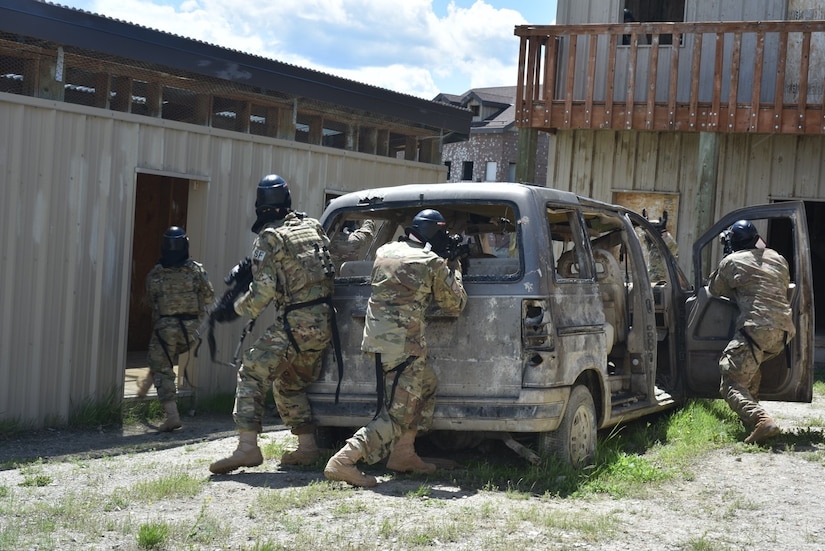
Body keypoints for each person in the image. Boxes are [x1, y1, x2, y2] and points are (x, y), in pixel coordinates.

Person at [324, 208, 467, 487]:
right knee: (398, 416)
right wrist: (456, 270)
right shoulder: (431, 262)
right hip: (405, 346)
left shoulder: (385, 251)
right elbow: (455, 304)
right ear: (434, 233)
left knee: (426, 384)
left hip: (379, 340)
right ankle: (344, 460)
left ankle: (403, 453)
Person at [209, 174, 336, 474]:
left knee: (252, 369)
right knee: (289, 381)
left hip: (296, 324)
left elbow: (262, 294)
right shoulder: (313, 226)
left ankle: (247, 448)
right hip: (324, 324)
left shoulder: (269, 238)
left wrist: (233, 308)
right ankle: (307, 448)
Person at [708, 220, 796, 444]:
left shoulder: (732, 261)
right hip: (784, 332)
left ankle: (761, 420)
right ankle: (754, 424)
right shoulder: (778, 258)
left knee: (730, 382)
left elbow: (714, 290)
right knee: (749, 368)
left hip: (756, 329)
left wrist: (726, 258)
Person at [141, 226, 214, 431]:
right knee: (166, 359)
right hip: (192, 330)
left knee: (161, 366)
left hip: (165, 328)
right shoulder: (196, 270)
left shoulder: (156, 274)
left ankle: (172, 415)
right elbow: (209, 297)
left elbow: (151, 302)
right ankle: (150, 385)